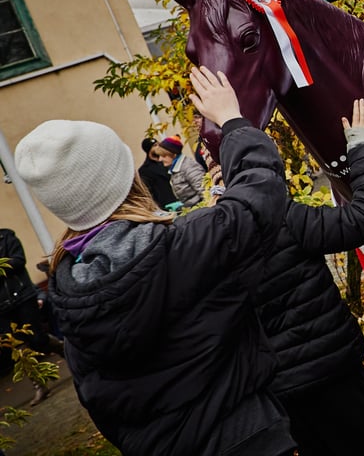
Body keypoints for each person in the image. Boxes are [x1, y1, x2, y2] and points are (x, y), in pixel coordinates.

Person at [14, 66, 298, 456]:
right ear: (125, 178)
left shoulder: (67, 289)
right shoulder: (181, 245)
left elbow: (94, 396)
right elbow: (260, 198)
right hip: (246, 437)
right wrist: (232, 119)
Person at [241, 96, 364, 456]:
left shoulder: (195, 239)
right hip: (337, 376)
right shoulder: (282, 218)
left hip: (280, 396)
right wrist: (362, 146)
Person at [0, 229, 64, 406]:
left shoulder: (7, 238)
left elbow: (19, 261)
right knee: (19, 349)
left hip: (22, 297)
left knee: (38, 339)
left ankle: (67, 351)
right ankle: (40, 386)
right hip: (2, 308)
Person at [153, 134, 206, 208]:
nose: (160, 159)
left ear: (174, 155)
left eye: (164, 156)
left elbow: (205, 193)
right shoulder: (175, 169)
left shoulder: (189, 167)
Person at [137, 137, 178, 210]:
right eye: (155, 145)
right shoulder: (145, 170)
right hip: (166, 206)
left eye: (159, 145)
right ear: (149, 149)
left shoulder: (166, 162)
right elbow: (149, 193)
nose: (158, 147)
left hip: (179, 200)